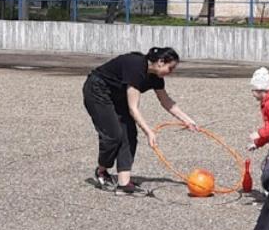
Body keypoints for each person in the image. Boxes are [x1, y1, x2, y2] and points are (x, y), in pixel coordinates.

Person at [82, 47, 198, 196]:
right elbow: (133, 108)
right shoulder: (137, 67)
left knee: (129, 134)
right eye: (171, 68)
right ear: (161, 62)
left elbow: (166, 101)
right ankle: (102, 170)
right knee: (114, 135)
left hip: (118, 95)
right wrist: (149, 132)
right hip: (97, 90)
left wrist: (188, 121)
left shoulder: (156, 77)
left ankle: (124, 184)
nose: (171, 72)